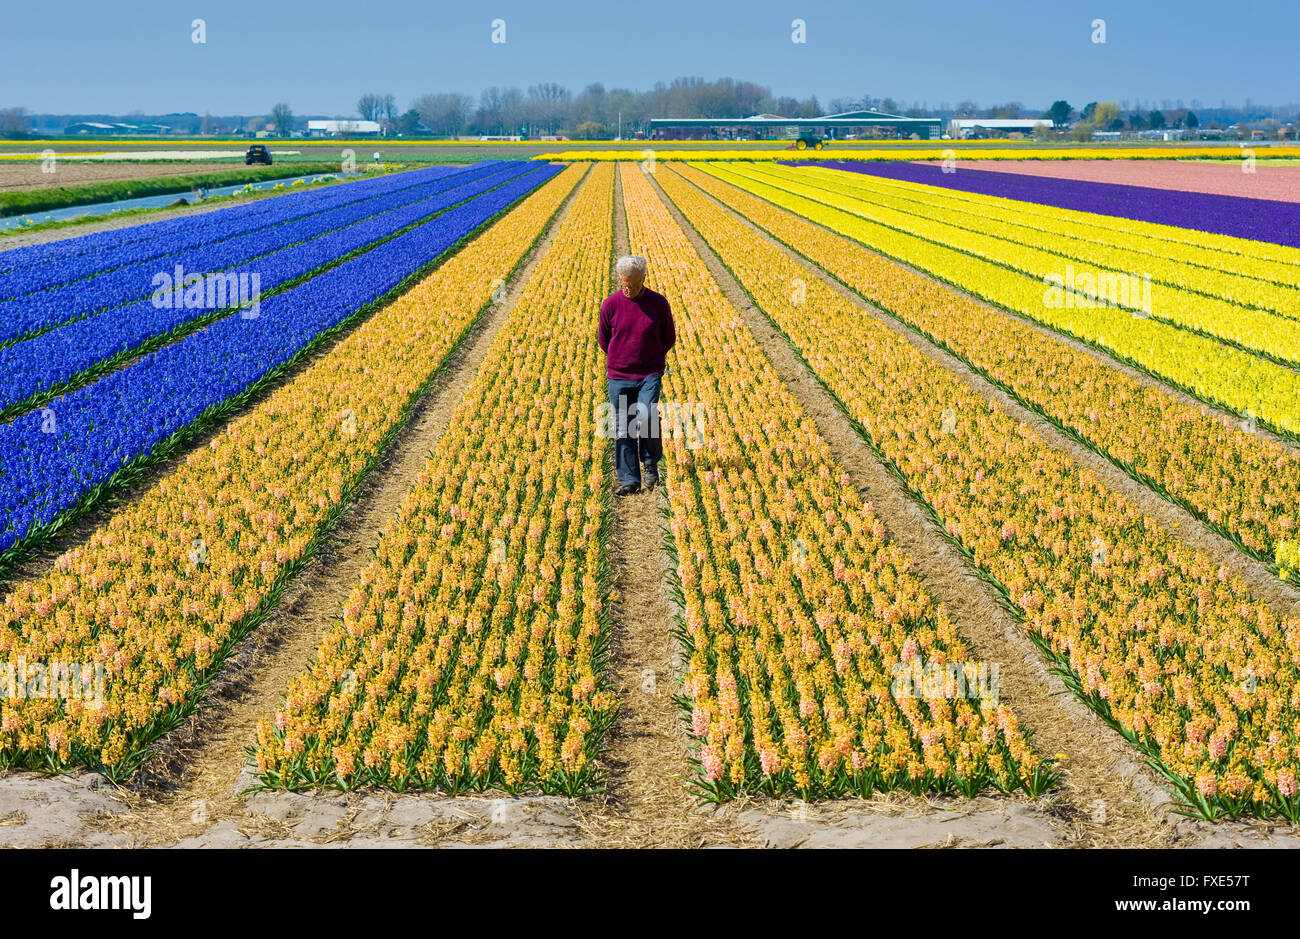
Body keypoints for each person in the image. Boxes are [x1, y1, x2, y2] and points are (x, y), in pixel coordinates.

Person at [597, 255, 676, 496]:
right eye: (624, 284)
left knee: (648, 415)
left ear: (643, 279)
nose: (628, 289)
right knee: (623, 426)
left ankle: (650, 464)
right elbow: (604, 340)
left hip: (648, 373)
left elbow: (668, 338)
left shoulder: (658, 304)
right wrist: (621, 357)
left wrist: (650, 358)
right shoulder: (610, 305)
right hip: (619, 375)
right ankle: (629, 480)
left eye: (632, 284)